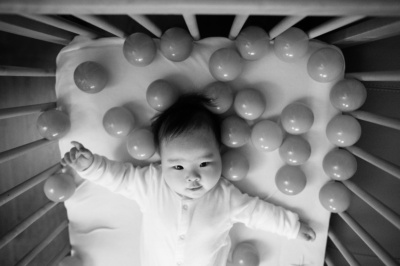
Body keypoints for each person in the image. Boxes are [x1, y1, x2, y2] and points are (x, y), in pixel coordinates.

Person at [61, 93, 316, 266]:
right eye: (178, 166)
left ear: (219, 153)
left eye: (204, 163)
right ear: (162, 162)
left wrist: (291, 227)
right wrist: (90, 165)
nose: (192, 176)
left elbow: (258, 213)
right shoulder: (151, 184)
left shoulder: (225, 197)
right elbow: (117, 178)